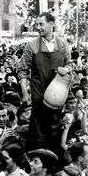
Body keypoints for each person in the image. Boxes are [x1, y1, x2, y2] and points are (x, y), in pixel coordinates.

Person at [18, 12, 74, 153]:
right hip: (38, 95)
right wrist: (25, 92)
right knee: (37, 131)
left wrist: (65, 69)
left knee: (55, 129)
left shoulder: (62, 45)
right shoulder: (31, 46)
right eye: (37, 24)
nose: (38, 27)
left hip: (57, 96)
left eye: (41, 24)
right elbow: (23, 70)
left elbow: (70, 64)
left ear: (51, 24)